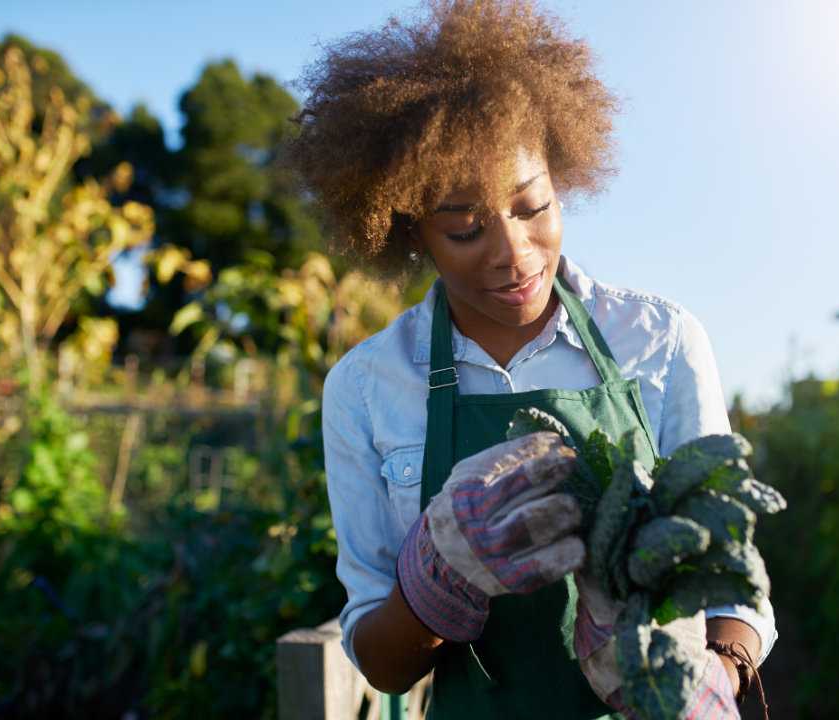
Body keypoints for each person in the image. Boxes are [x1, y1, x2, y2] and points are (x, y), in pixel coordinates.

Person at [281, 1, 776, 718]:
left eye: (533, 206)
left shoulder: (661, 341)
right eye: (464, 227)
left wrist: (715, 679)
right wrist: (436, 577)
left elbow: (731, 580)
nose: (514, 255)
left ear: (561, 180)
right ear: (411, 231)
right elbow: (381, 665)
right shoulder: (365, 388)